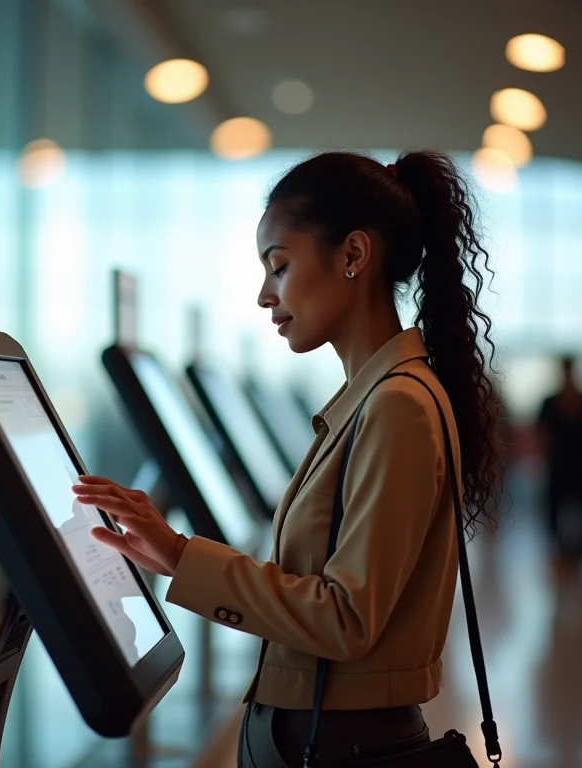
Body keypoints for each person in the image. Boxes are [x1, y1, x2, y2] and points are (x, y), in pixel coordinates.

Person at [72, 150, 503, 766]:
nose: (263, 294)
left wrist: (179, 557)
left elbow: (347, 619)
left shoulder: (397, 407)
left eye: (279, 266)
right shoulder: (374, 399)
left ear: (353, 256)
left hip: (340, 744)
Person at [536, 355, 582, 561]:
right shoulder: (551, 402)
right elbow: (543, 437)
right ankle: (561, 552)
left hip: (580, 465)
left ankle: (579, 552)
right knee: (556, 510)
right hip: (559, 465)